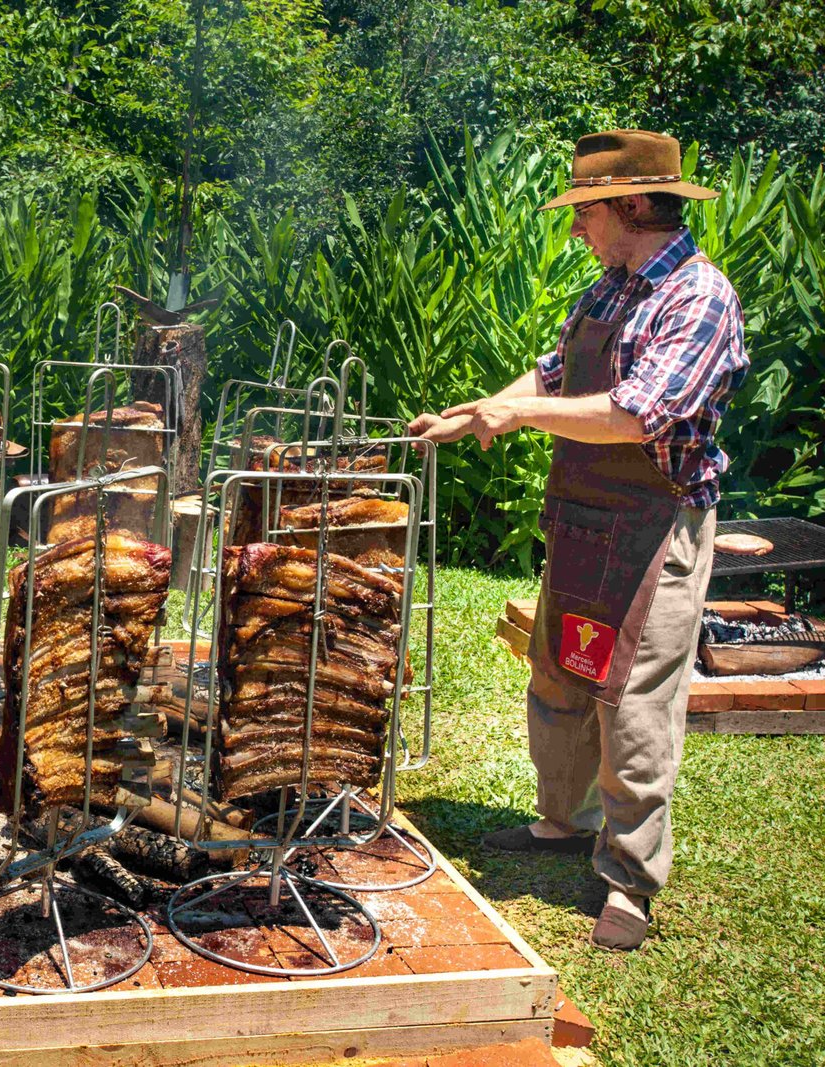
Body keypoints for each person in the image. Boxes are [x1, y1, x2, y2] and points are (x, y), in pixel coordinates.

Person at [410, 129, 749, 952]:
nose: (576, 229)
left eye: (585, 212)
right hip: (584, 519)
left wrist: (519, 414)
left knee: (634, 703)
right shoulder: (610, 290)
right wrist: (474, 412)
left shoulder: (699, 298)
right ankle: (564, 821)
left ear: (631, 204)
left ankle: (629, 880)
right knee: (560, 671)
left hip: (654, 526)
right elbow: (556, 374)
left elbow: (636, 414)